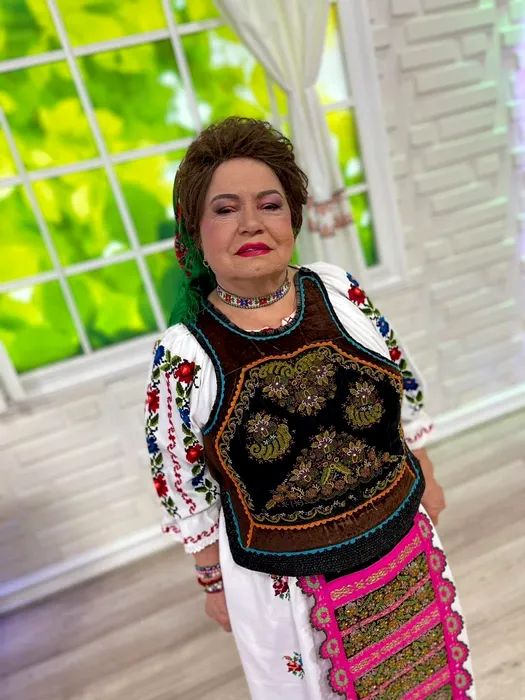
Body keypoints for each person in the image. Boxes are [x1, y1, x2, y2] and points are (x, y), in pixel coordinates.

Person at [144, 117, 475, 699]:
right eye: (225, 209)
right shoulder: (185, 353)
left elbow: (398, 375)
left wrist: (426, 468)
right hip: (288, 583)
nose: (251, 223)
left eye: (269, 204)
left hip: (400, 537)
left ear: (292, 218)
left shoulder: (337, 291)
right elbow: (183, 478)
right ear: (194, 232)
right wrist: (212, 581)